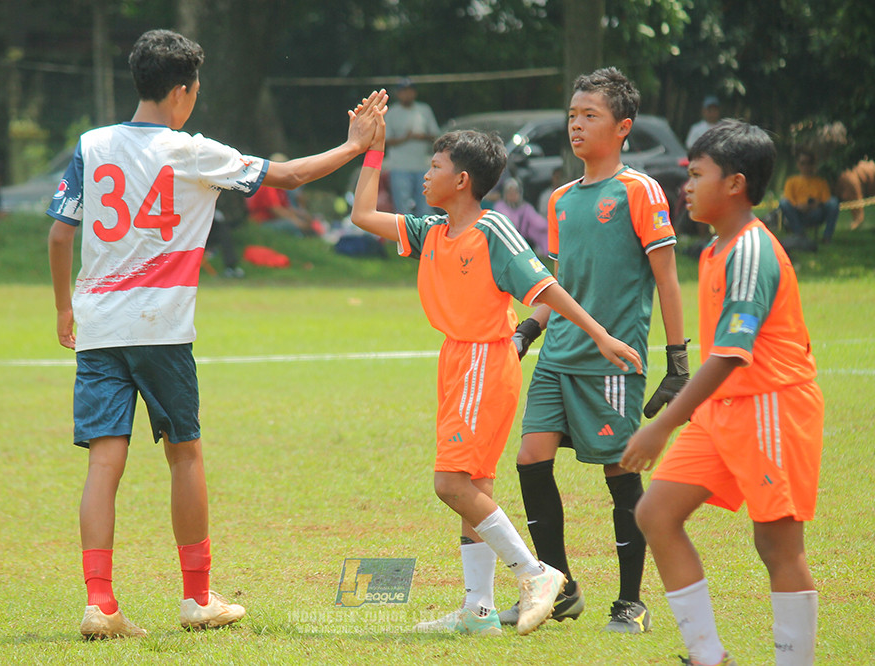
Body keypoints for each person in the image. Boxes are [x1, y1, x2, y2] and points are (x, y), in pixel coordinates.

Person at [46, 28, 386, 640]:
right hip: (161, 329)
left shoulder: (92, 144)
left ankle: (100, 602)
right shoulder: (192, 151)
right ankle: (197, 597)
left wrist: (64, 311)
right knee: (185, 453)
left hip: (98, 327)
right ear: (181, 91)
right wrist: (354, 145)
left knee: (104, 461)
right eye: (195, 90)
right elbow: (285, 176)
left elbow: (59, 233)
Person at [350, 119, 643, 636]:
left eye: (435, 166)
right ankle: (479, 610)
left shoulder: (493, 230)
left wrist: (600, 335)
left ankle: (537, 574)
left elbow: (548, 288)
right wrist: (370, 151)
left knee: (450, 483)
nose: (424, 174)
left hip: (486, 361)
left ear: (462, 180)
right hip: (456, 361)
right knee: (475, 485)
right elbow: (362, 214)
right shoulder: (432, 231)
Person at [621, 120, 823, 666]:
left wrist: (662, 424)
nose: (684, 186)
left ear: (734, 184)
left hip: (771, 406)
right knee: (656, 512)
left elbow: (733, 354)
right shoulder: (716, 249)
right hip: (724, 408)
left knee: (778, 545)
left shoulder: (751, 251)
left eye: (696, 175)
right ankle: (709, 657)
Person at [502, 67, 687, 634]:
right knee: (530, 458)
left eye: (591, 116)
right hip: (558, 356)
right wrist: (528, 332)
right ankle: (558, 587)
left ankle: (631, 601)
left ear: (623, 126)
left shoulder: (639, 191)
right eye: (573, 115)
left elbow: (668, 280)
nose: (577, 126)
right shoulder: (558, 199)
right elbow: (557, 288)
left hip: (614, 361)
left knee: (619, 472)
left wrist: (678, 362)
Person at [384, 78, 439, 216]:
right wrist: (405, 138)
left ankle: (425, 236)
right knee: (403, 208)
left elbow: (436, 135)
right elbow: (386, 140)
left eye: (409, 91)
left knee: (425, 206)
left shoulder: (424, 110)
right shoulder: (392, 113)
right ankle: (404, 237)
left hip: (422, 165)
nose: (407, 94)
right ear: (398, 94)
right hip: (399, 166)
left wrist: (422, 136)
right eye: (403, 91)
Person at [245, 153, 324, 236]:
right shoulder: (267, 185)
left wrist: (302, 215)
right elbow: (276, 210)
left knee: (301, 221)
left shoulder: (278, 186)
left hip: (273, 220)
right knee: (291, 225)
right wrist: (298, 222)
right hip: (261, 223)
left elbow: (287, 208)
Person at [779, 150, 839, 243]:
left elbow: (826, 200)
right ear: (798, 164)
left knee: (834, 202)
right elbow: (788, 199)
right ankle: (800, 235)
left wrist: (814, 205)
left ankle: (827, 237)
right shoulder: (791, 181)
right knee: (783, 203)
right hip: (797, 214)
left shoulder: (821, 182)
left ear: (813, 165)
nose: (806, 166)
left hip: (816, 213)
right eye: (803, 163)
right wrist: (798, 206)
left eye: (809, 163)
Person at [492, 178, 547, 256]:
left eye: (515, 192)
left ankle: (548, 253)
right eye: (509, 192)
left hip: (523, 240)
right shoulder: (500, 206)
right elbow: (510, 224)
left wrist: (549, 226)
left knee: (541, 232)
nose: (512, 195)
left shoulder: (526, 207)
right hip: (505, 242)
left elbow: (539, 222)